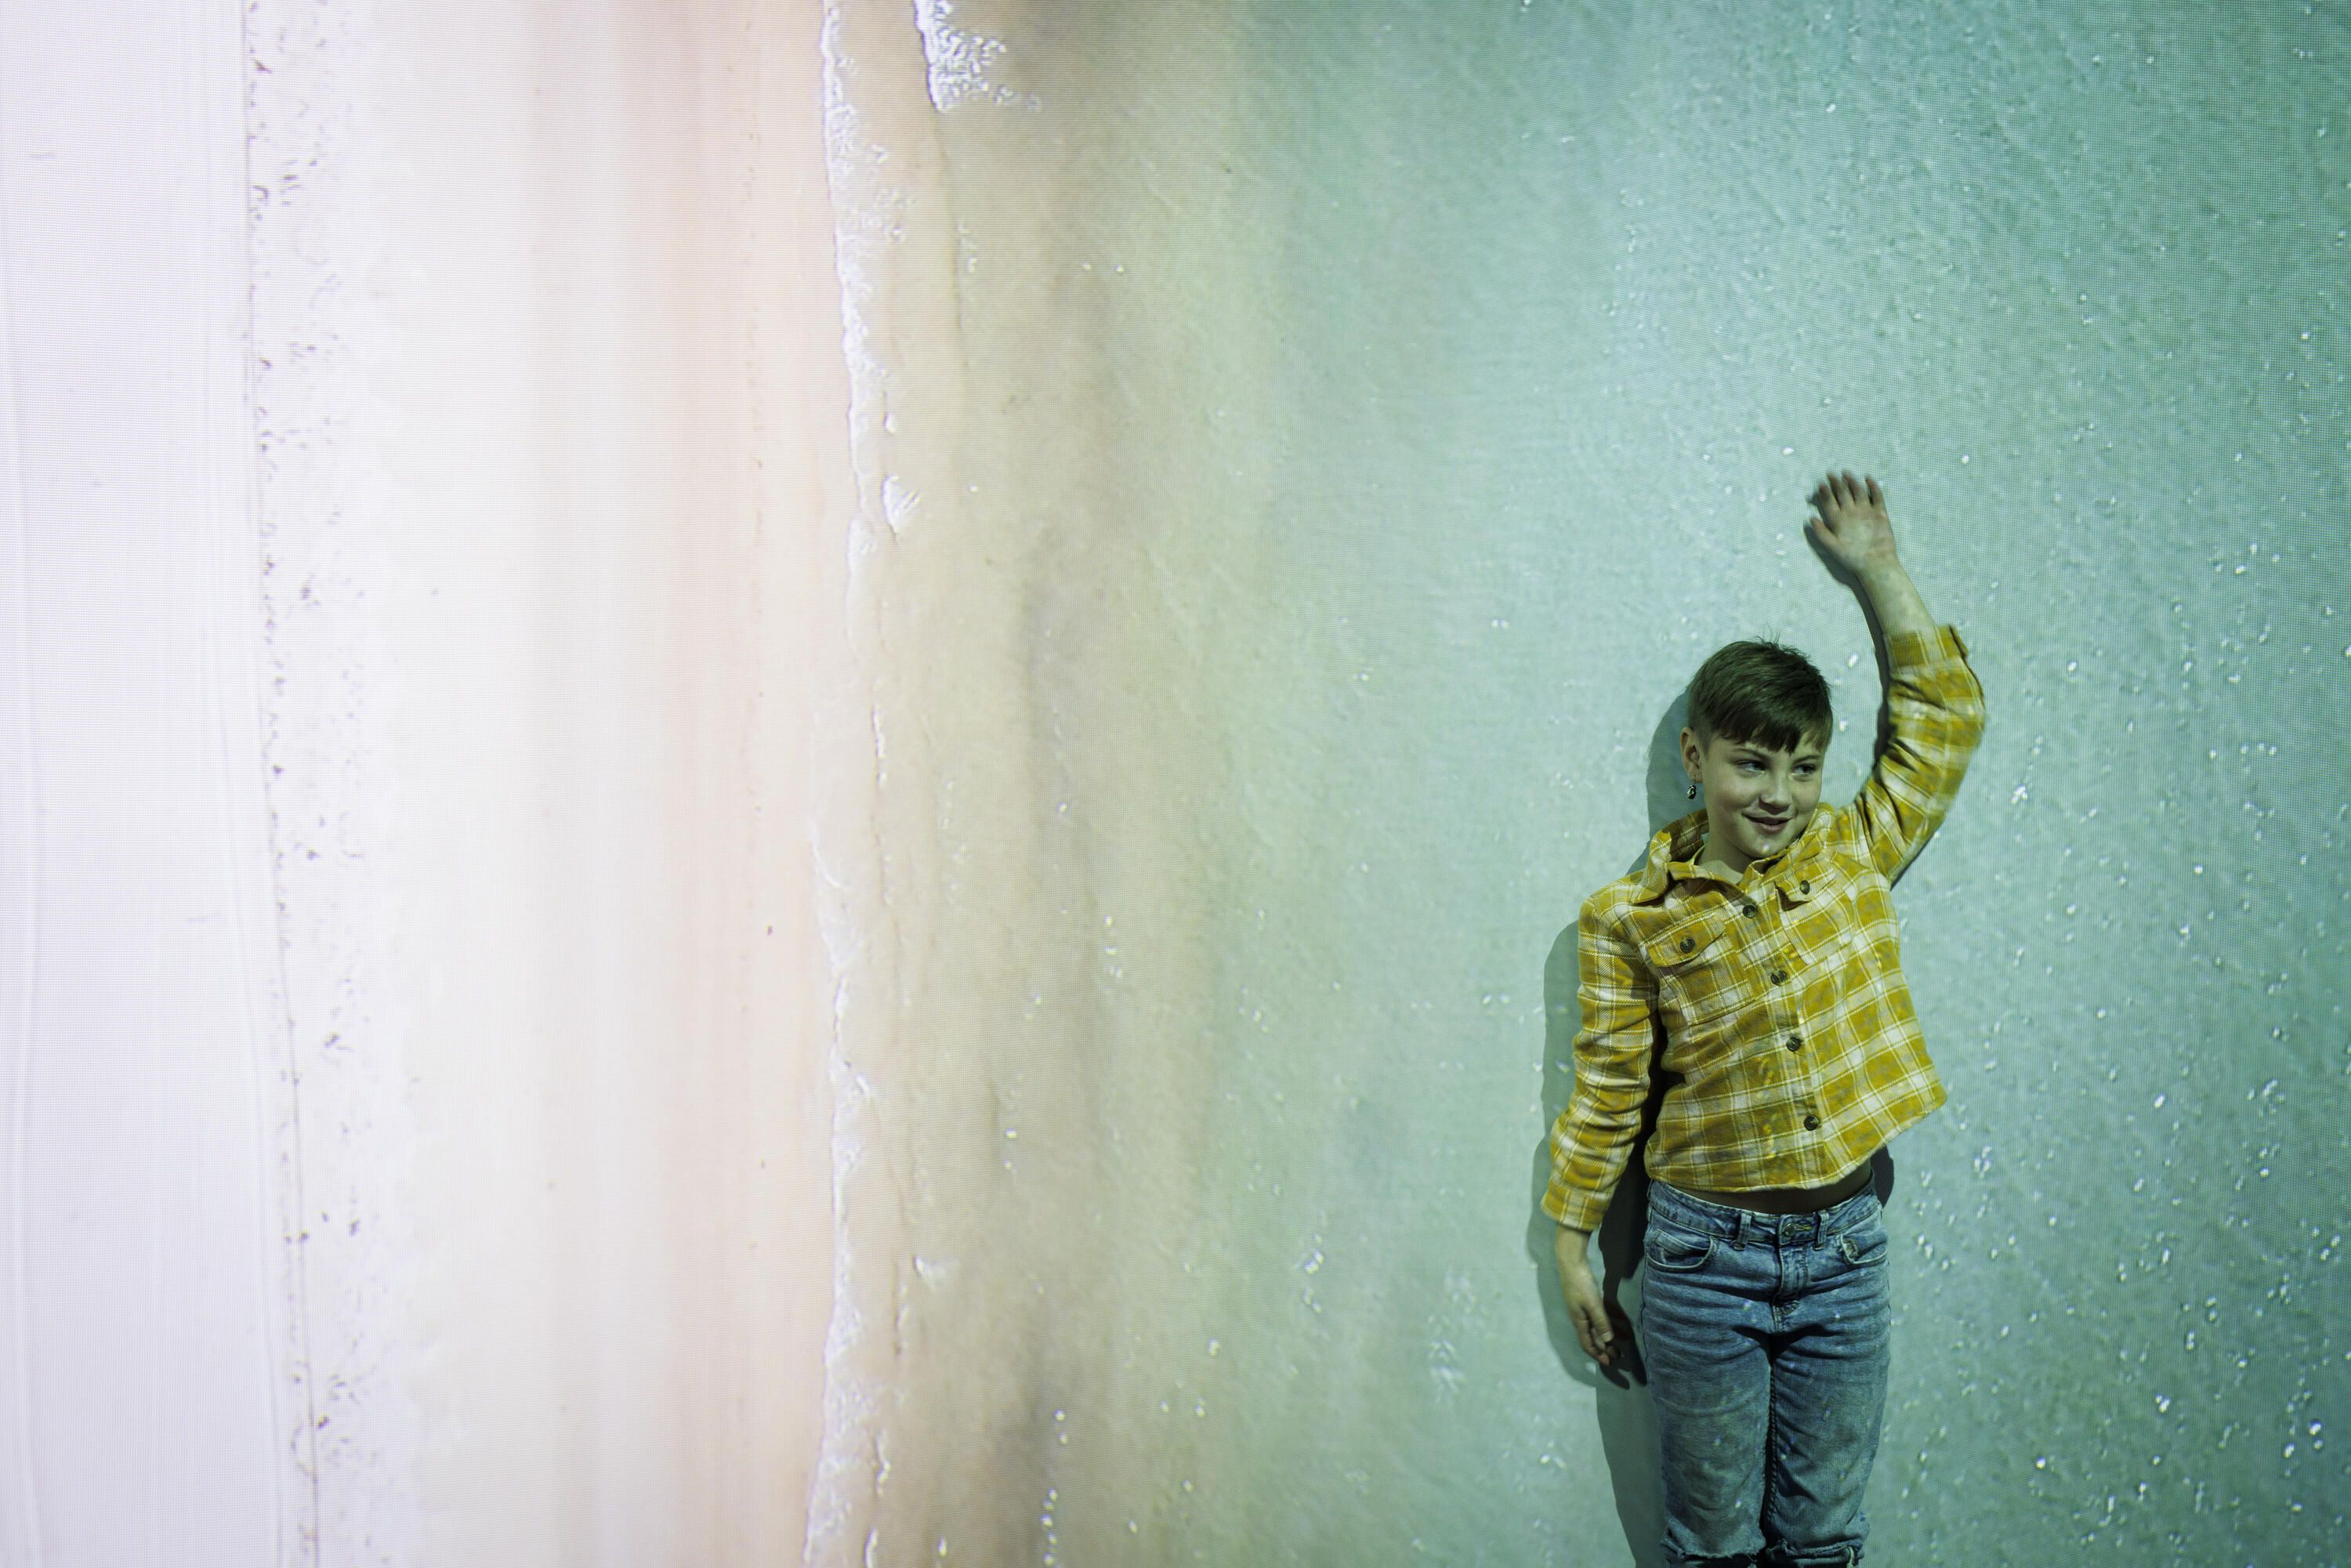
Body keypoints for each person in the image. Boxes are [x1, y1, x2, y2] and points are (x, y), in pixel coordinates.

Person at [1545, 471, 1987, 1566]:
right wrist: (1570, 1243)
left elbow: (1943, 725)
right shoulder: (1628, 918)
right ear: (1696, 759)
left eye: (1801, 764)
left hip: (1845, 1252)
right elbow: (1608, 1088)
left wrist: (1879, 568)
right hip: (1702, 1260)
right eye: (1751, 762)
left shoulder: (1850, 852)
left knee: (1826, 1540)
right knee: (1711, 1548)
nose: (1779, 793)